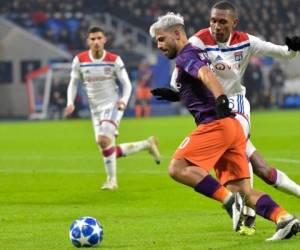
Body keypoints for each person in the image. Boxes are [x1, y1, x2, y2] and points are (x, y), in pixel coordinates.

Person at [151, 1, 300, 235]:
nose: (216, 26)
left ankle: (232, 204)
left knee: (177, 167)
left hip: (225, 114)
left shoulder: (229, 44)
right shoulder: (199, 42)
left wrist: (291, 50)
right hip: (227, 123)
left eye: (161, 40)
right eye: (213, 21)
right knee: (248, 186)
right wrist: (178, 92)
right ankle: (284, 218)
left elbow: (204, 72)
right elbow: (192, 76)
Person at [64, 26, 161, 190]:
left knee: (103, 140)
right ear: (88, 41)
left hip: (112, 105)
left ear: (104, 40)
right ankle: (146, 144)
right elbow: (73, 83)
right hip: (95, 110)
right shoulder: (79, 60)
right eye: (92, 39)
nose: (96, 42)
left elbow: (126, 83)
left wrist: (123, 100)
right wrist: (70, 102)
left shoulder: (113, 59)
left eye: (99, 38)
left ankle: (112, 181)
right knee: (106, 146)